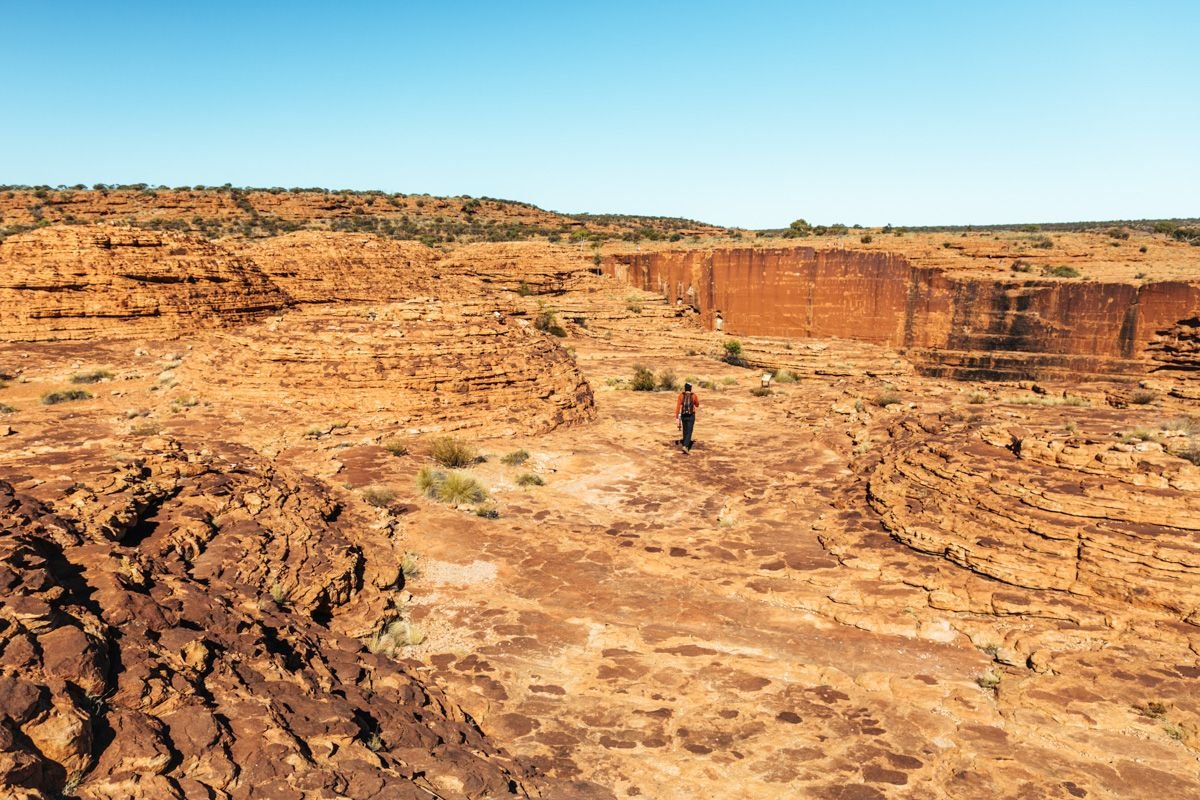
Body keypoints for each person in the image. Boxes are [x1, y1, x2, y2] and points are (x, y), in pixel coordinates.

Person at [675, 382, 700, 454]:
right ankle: (685, 446)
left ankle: (685, 442)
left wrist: (677, 417)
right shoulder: (694, 396)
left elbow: (678, 407)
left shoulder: (681, 395)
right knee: (689, 431)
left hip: (683, 415)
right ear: (690, 388)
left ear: (685, 388)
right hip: (691, 415)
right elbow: (697, 404)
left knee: (685, 430)